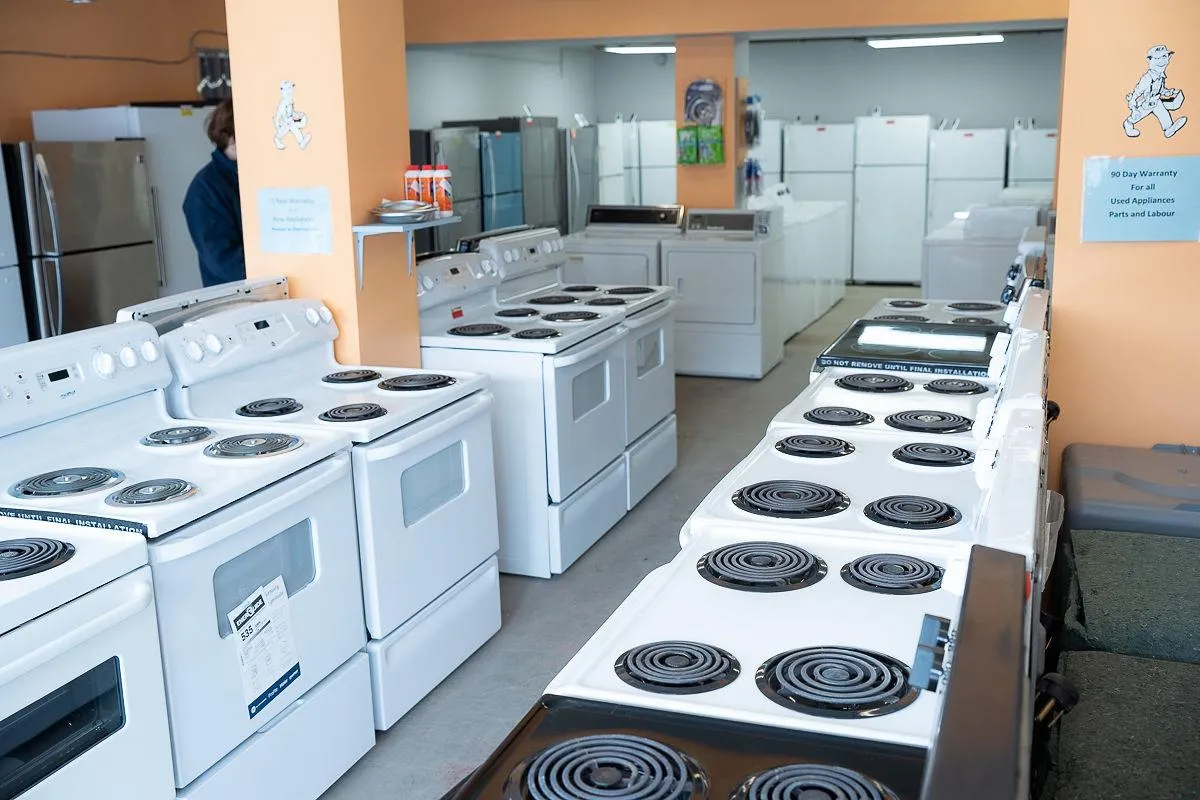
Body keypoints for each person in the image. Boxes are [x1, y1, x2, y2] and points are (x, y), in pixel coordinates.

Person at [183, 99, 245, 287]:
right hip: (235, 301)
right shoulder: (204, 189)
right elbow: (223, 261)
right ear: (231, 139)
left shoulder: (257, 174)